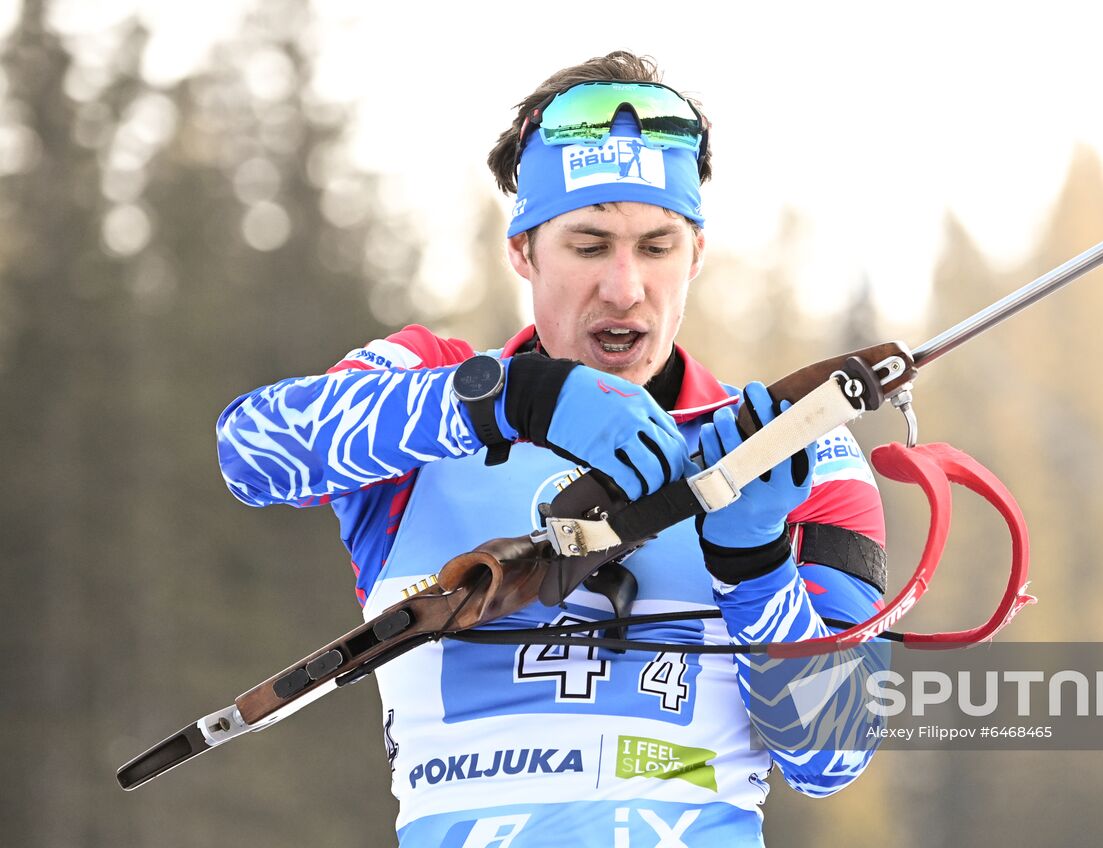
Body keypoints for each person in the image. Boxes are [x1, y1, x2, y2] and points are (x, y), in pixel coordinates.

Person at [216, 51, 887, 847]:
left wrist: (756, 561)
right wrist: (510, 397)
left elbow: (833, 755)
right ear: (524, 251)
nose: (626, 287)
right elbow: (253, 450)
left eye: (658, 245)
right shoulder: (432, 394)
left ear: (697, 254)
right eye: (590, 244)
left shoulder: (792, 453)